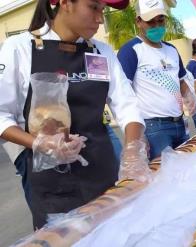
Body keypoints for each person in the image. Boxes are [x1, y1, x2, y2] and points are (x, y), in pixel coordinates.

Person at [0, 0, 148, 229]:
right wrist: (40, 143)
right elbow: (1, 114)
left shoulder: (101, 51)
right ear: (65, 3)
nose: (100, 19)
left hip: (102, 170)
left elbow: (128, 107)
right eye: (93, 7)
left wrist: (132, 152)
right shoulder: (20, 48)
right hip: (52, 182)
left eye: (102, 10)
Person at [117, 0, 196, 160]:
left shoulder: (172, 50)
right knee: (164, 177)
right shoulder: (131, 51)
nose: (156, 26)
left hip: (180, 124)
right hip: (154, 128)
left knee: (187, 171)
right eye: (150, 22)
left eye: (160, 21)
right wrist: (138, 135)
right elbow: (122, 94)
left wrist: (189, 96)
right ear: (138, 21)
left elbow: (181, 81)